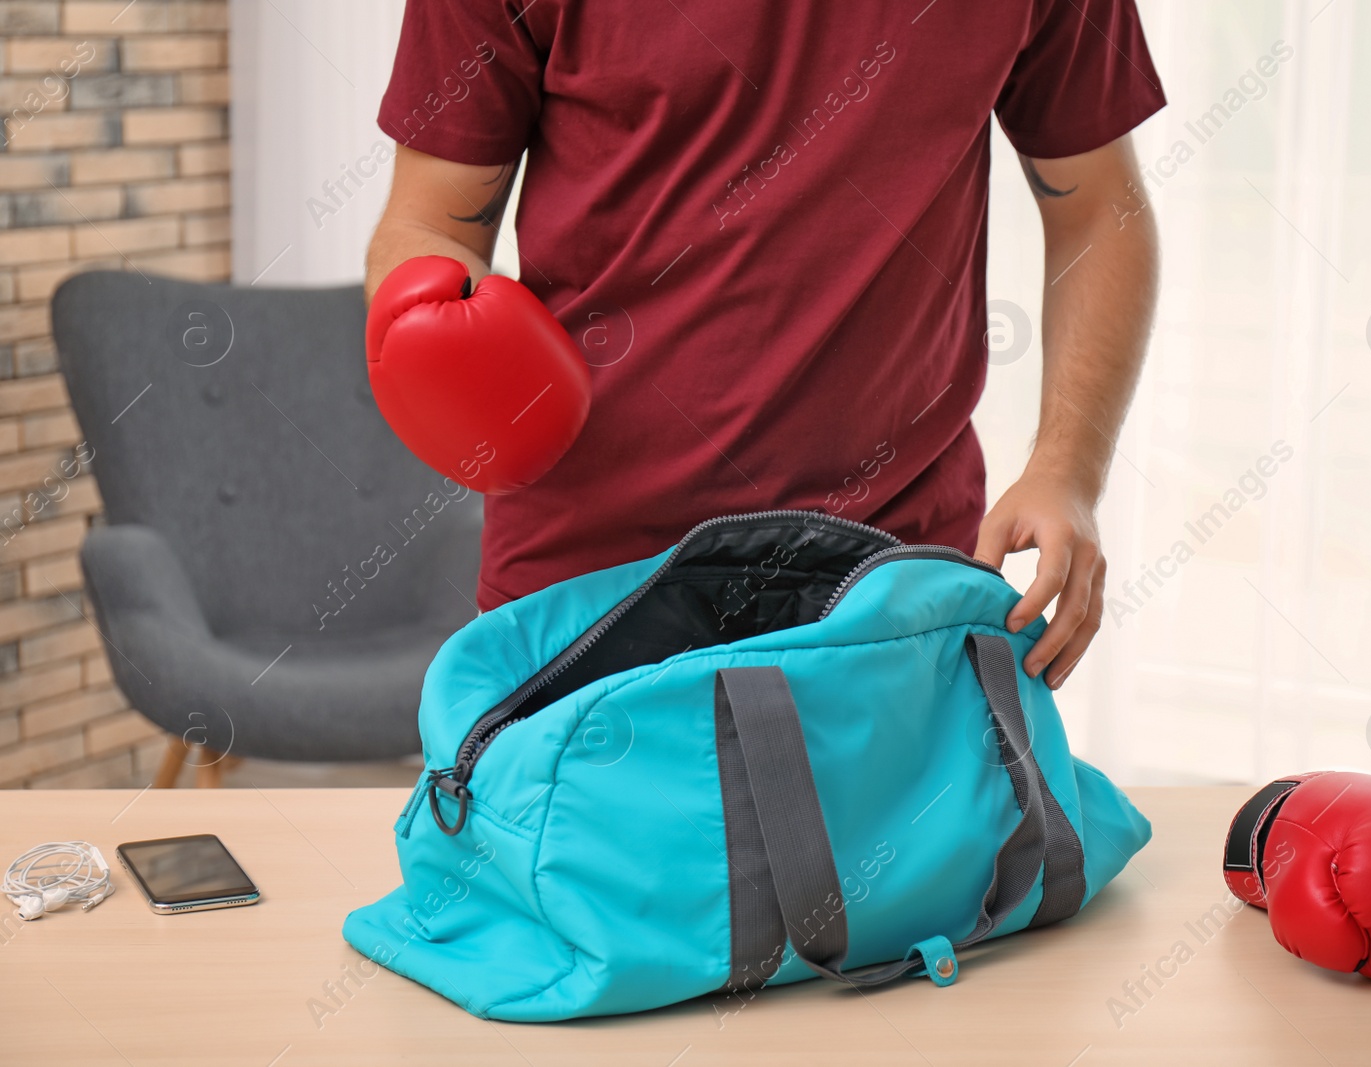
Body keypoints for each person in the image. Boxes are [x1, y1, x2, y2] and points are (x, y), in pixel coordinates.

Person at [367, 0, 1163, 689]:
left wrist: (1069, 471)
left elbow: (1101, 208)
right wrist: (449, 362)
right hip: (588, 588)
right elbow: (430, 221)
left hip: (888, 578)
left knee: (934, 868)